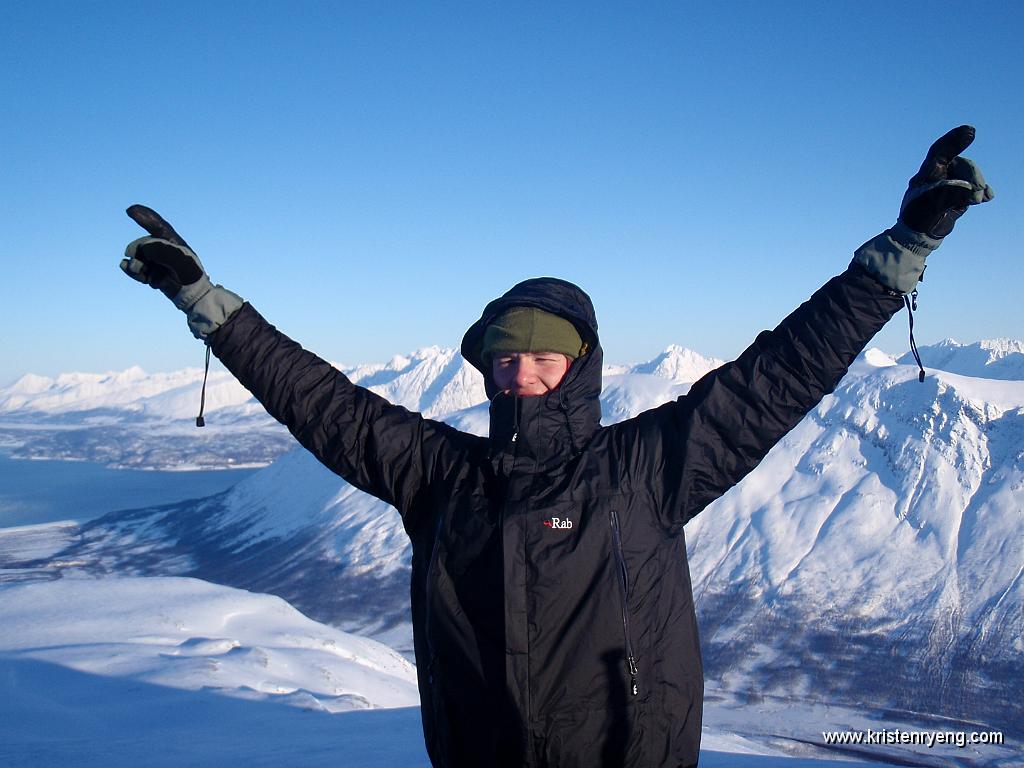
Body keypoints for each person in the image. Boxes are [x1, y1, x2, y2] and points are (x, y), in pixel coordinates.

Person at [120, 127, 992, 767]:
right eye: (506, 358)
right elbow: (319, 401)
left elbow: (778, 374)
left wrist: (902, 250)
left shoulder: (648, 469)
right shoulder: (438, 475)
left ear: (579, 368)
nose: (521, 374)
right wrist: (207, 303)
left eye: (542, 357)